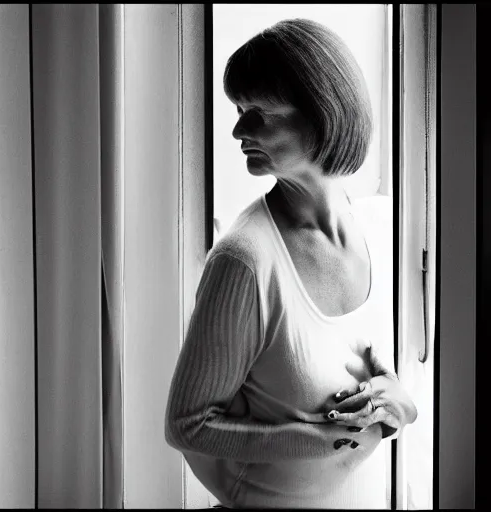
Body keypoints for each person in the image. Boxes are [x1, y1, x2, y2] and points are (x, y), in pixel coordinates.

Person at [165, 18, 417, 509]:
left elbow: (387, 392)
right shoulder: (244, 261)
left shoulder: (381, 230)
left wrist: (401, 407)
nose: (238, 129)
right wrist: (309, 440)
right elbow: (186, 424)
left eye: (257, 112)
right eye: (238, 110)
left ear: (320, 114)